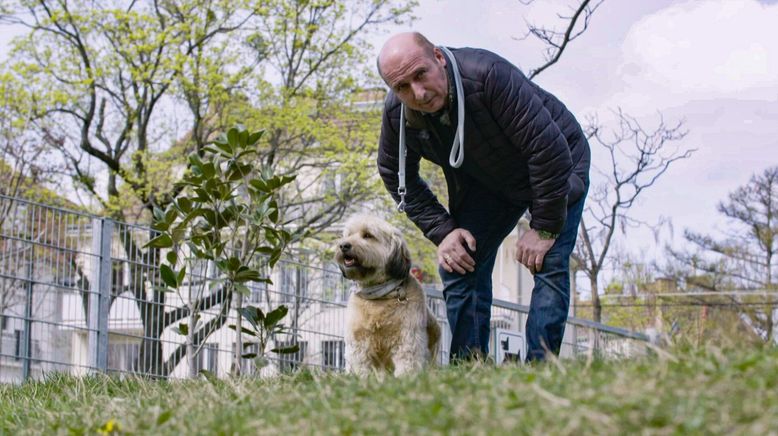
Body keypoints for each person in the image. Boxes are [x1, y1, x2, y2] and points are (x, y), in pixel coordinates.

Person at [376, 32, 590, 362]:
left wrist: (544, 228)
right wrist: (443, 232)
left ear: (439, 58)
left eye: (421, 74)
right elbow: (395, 174)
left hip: (557, 164)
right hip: (489, 181)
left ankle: (540, 370)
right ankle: (468, 368)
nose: (417, 93)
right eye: (402, 87)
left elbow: (547, 150)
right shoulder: (398, 115)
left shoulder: (488, 76)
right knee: (459, 262)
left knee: (547, 261)